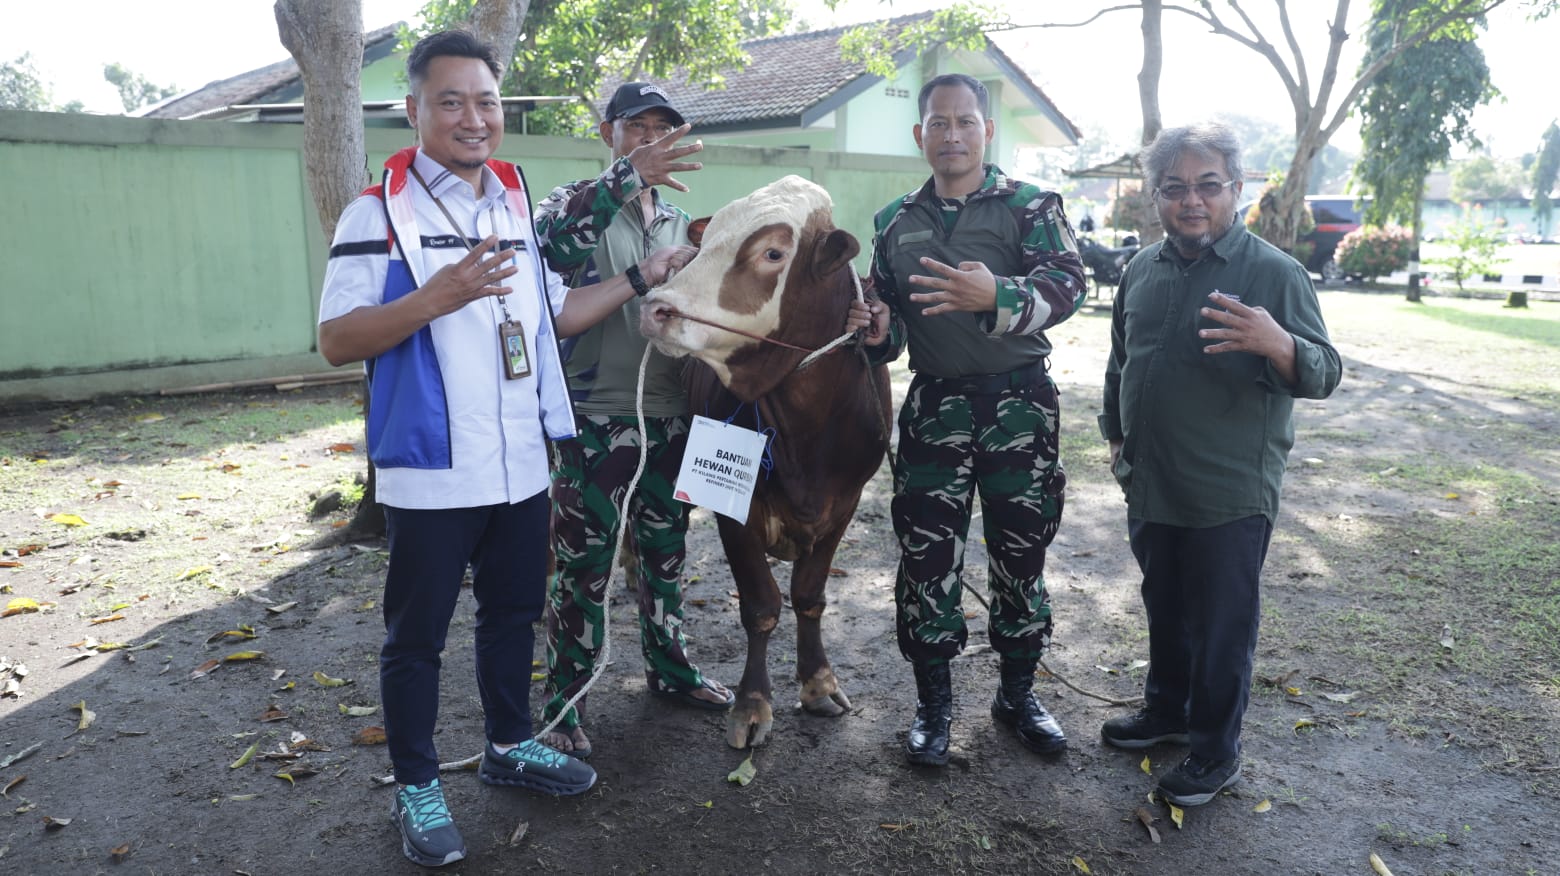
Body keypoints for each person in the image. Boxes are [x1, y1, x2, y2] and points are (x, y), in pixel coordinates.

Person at [316, 31, 693, 868]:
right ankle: (418, 786)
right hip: (434, 468)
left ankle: (509, 744)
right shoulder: (378, 212)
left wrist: (641, 278)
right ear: (413, 110)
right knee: (416, 639)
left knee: (513, 615)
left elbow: (554, 315)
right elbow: (339, 339)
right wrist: (434, 297)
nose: (472, 117)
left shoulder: (513, 206)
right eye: (450, 101)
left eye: (485, 101)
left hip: (523, 459)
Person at [1097, 123, 1341, 807]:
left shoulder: (1273, 273)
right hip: (1151, 480)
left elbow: (1325, 372)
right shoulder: (1141, 269)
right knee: (1165, 606)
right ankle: (1165, 712)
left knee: (1222, 623)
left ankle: (1214, 751)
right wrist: (1114, 436)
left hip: (1229, 490)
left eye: (1208, 186)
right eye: (1175, 188)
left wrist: (1279, 342)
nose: (1192, 201)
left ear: (1238, 190)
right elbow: (1123, 360)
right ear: (1157, 197)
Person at [860, 73, 1089, 767]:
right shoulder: (895, 222)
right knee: (928, 562)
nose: (952, 135)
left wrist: (998, 293)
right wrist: (876, 329)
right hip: (935, 409)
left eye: (965, 122)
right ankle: (934, 706)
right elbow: (893, 327)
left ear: (987, 131)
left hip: (1018, 405)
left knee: (1022, 554)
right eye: (939, 123)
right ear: (920, 133)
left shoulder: (1029, 207)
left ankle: (1017, 696)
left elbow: (1069, 284)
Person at [530, 81, 731, 759]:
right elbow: (551, 256)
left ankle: (672, 673)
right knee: (583, 568)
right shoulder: (573, 205)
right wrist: (625, 187)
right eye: (636, 126)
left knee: (667, 557)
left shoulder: (681, 223)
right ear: (608, 133)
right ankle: (564, 704)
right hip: (596, 417)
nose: (651, 138)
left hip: (672, 417)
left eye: (661, 128)